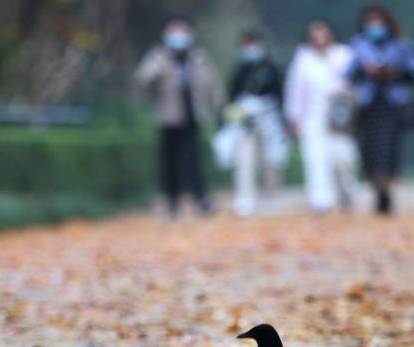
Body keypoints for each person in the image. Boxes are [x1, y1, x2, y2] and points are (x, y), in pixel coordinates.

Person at [135, 17, 224, 216]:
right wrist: (159, 65)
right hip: (168, 117)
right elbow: (142, 79)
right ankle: (172, 202)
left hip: (193, 115)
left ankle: (200, 200)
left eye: (182, 33)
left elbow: (213, 85)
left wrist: (220, 108)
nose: (178, 38)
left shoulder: (199, 57)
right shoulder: (158, 56)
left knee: (194, 161)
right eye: (174, 34)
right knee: (169, 162)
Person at [347, 5, 414, 214]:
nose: (375, 26)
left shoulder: (401, 45)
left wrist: (392, 72)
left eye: (379, 22)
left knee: (389, 148)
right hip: (367, 105)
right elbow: (348, 73)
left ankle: (387, 189)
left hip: (392, 104)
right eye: (370, 22)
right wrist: (366, 71)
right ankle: (377, 186)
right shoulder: (358, 45)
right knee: (369, 149)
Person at [284, 20, 358, 213]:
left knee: (343, 156)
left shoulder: (344, 55)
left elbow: (354, 84)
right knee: (315, 158)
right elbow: (295, 90)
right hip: (312, 115)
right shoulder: (303, 59)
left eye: (323, 35)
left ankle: (346, 194)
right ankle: (320, 200)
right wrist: (293, 117)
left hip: (340, 115)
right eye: (315, 37)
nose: (320, 40)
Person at [225, 30, 288, 216]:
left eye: (255, 44)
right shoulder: (239, 71)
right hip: (245, 124)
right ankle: (244, 199)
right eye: (248, 45)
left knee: (270, 161)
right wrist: (237, 118)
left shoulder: (271, 69)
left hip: (269, 122)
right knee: (244, 161)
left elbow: (281, 96)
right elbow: (231, 100)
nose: (251, 49)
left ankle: (270, 198)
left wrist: (281, 120)